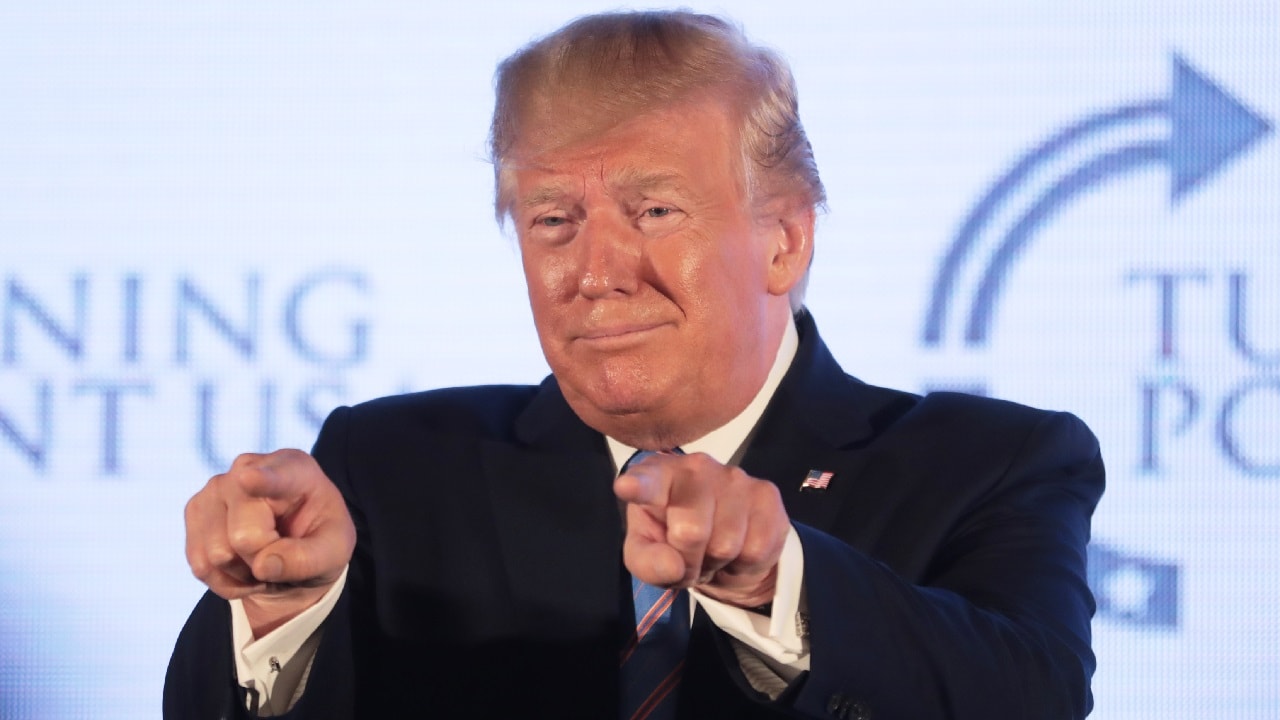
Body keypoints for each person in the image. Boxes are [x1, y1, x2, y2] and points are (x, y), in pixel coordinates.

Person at [166, 11, 1104, 719]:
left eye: (655, 211)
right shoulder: (389, 468)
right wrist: (281, 608)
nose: (596, 274)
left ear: (784, 239)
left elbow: (1034, 696)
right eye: (552, 222)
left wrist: (778, 582)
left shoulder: (990, 463)